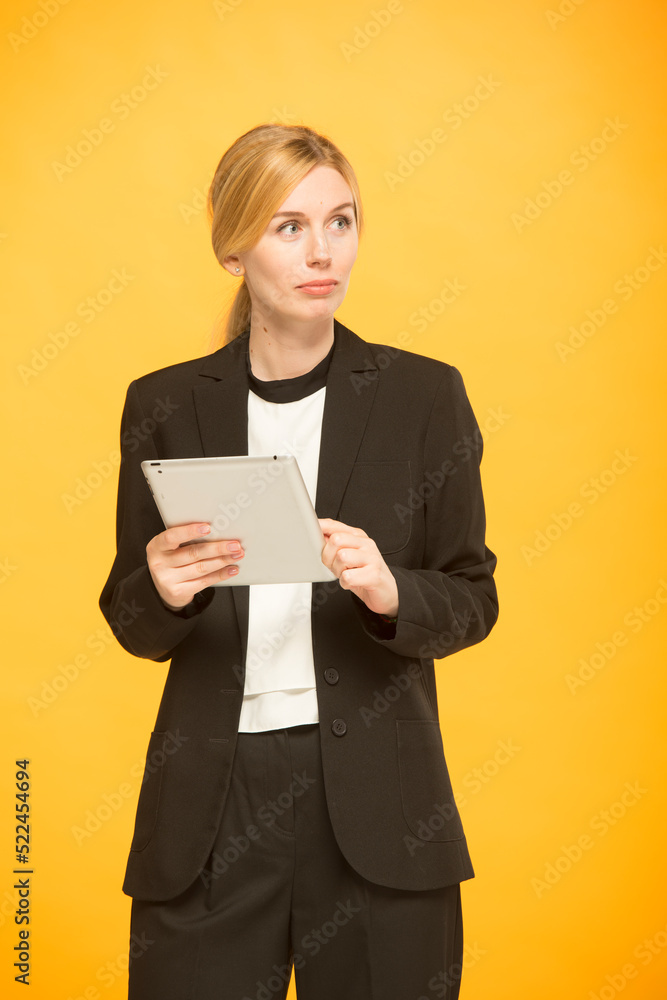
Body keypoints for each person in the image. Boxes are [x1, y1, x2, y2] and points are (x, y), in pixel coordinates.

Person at [99, 122, 499, 1000]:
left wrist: (391, 592)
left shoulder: (423, 395)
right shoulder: (164, 404)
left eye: (341, 221)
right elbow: (131, 618)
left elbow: (472, 597)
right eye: (288, 227)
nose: (323, 252)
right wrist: (161, 592)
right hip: (210, 807)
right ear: (233, 250)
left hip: (378, 809)